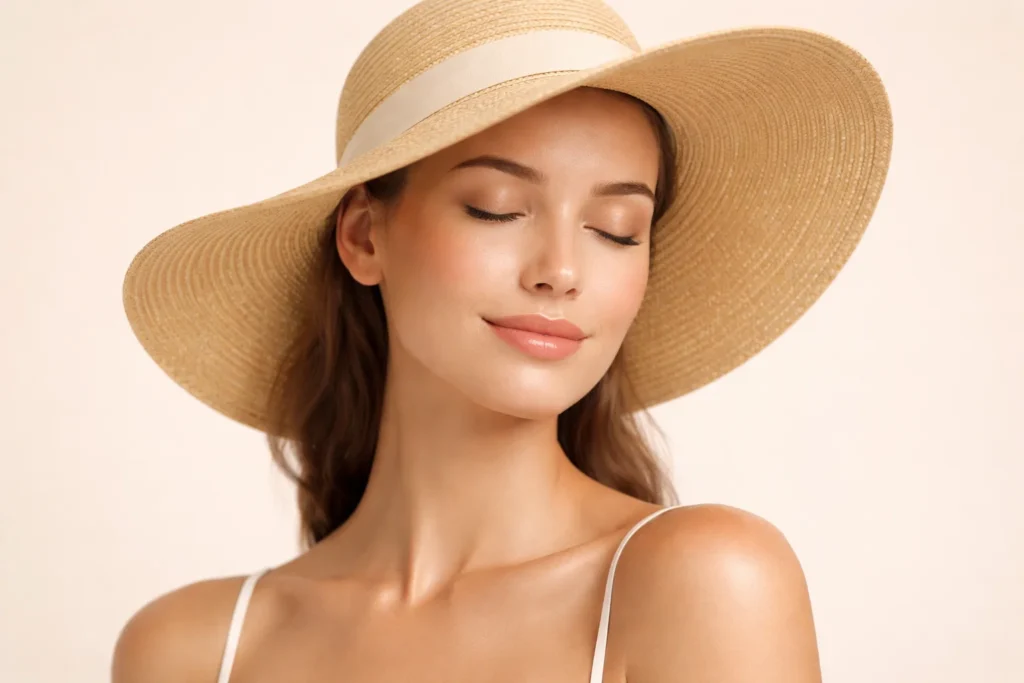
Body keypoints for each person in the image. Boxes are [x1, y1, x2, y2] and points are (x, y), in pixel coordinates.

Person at [111, 0, 892, 681]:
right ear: (363, 236)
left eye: (617, 229)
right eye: (496, 207)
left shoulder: (703, 581)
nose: (560, 270)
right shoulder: (189, 651)